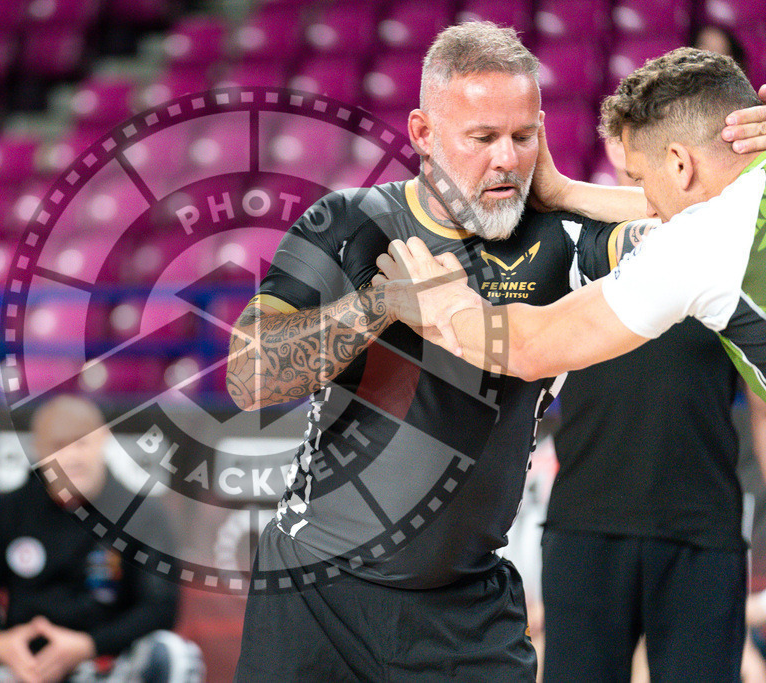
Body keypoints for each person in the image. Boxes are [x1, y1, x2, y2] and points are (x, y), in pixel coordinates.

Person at [226, 22, 766, 681]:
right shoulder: (347, 222)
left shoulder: (567, 237)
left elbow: (682, 220)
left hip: (467, 608)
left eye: (523, 136)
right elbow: (248, 377)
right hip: (314, 593)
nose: (507, 159)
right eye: (482, 139)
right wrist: (377, 306)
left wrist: (565, 193)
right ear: (424, 133)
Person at [376, 47, 766, 400]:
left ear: (680, 163)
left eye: (641, 180)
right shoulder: (732, 213)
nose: (647, 207)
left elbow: (532, 348)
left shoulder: (694, 245)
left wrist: (442, 304)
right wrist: (564, 193)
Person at [540, 135, 765, 681]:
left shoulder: (724, 242)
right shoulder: (569, 240)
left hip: (702, 533)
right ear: (614, 147)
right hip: (585, 527)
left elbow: (762, 408)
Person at [0, 395, 203, 683]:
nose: (73, 457)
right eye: (59, 446)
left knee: (174, 655)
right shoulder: (6, 510)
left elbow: (160, 608)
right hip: (21, 665)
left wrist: (88, 645)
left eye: (81, 443)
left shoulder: (142, 514)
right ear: (38, 449)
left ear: (102, 441)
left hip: (105, 663)